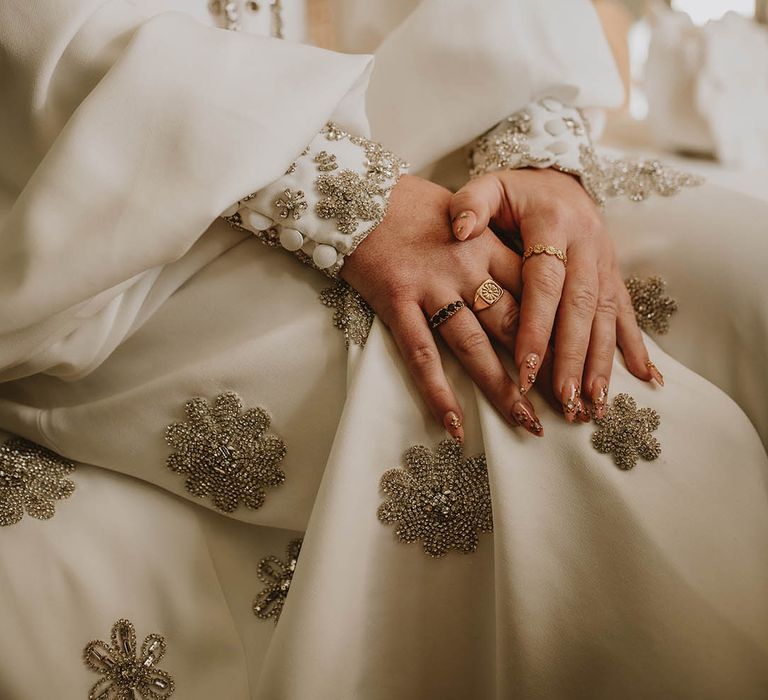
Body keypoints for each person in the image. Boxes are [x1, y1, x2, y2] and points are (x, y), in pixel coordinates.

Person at [0, 1, 766, 698]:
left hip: (425, 122)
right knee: (590, 427)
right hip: (124, 197)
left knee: (752, 280)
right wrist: (350, 195)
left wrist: (537, 153)